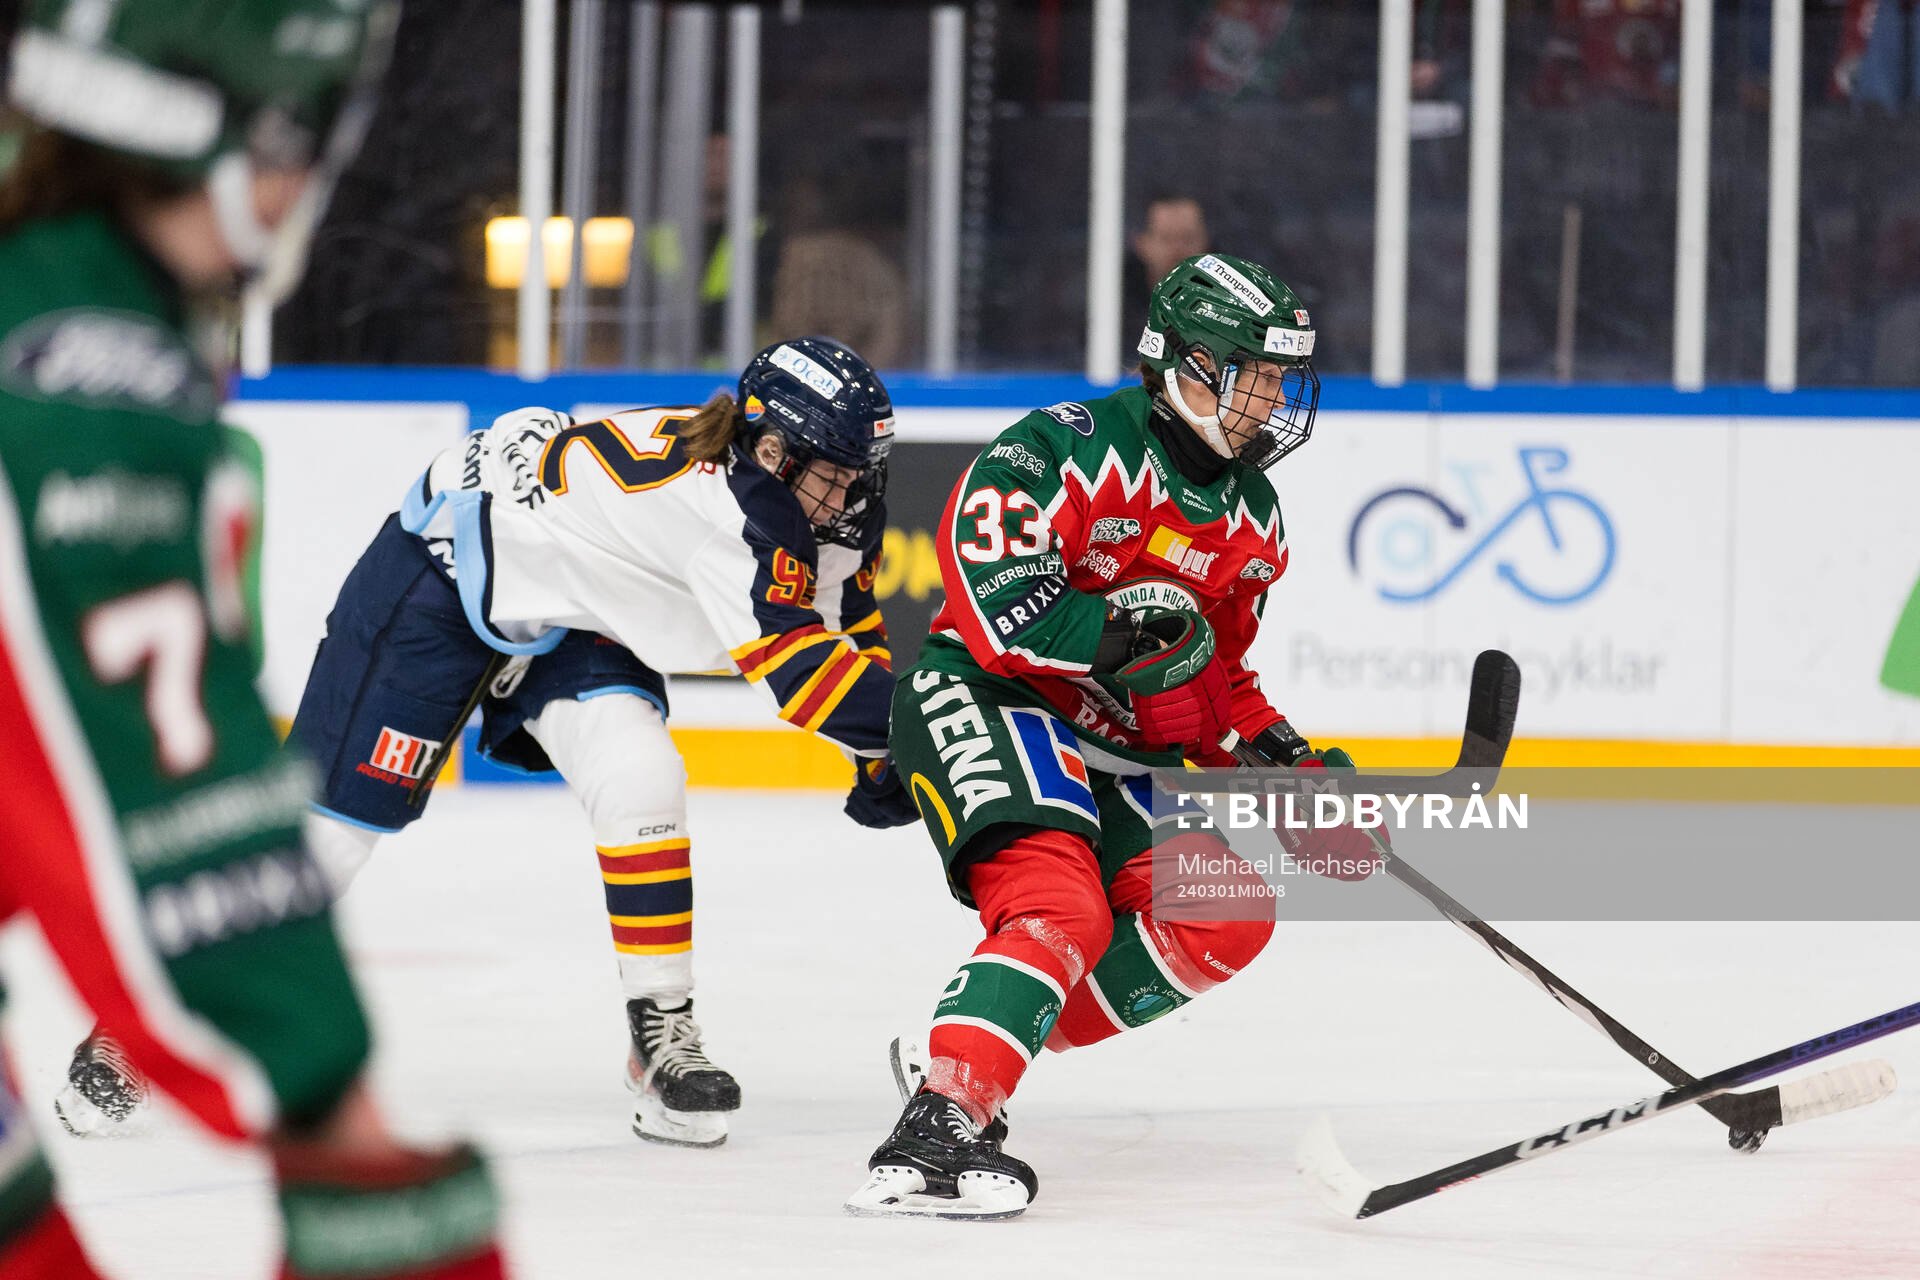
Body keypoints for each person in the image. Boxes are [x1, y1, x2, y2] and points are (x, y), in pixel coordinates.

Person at [64, 336, 919, 1150]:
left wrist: (880, 754)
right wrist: (923, 737)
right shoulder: (728, 513)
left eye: (860, 476)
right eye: (835, 476)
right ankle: (140, 1021)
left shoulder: (822, 504)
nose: (847, 500)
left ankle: (660, 1034)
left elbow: (851, 625)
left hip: (574, 599)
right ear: (770, 452)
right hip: (443, 572)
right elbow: (804, 675)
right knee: (329, 841)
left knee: (639, 774)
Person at [0, 1, 511, 1276]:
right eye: (306, 137)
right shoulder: (84, 380)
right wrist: (333, 1109)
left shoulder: (65, 290)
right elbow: (166, 792)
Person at [845, 253, 1380, 1218]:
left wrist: (1290, 764)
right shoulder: (1059, 448)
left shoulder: (1254, 518)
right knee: (1065, 908)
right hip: (986, 696)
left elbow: (1216, 684)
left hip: (1108, 751)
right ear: (1187, 365)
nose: (1272, 401)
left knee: (1228, 912)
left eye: (1280, 380)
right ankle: (939, 1121)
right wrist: (1120, 638)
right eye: (1253, 375)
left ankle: (970, 1054)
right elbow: (998, 609)